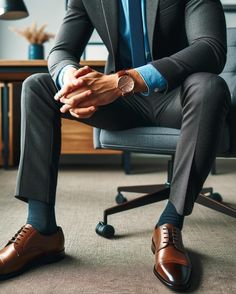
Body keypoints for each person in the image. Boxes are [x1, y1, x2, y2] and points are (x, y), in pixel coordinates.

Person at [0, 0, 231, 290]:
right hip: (118, 103)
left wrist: (126, 81)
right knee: (37, 86)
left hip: (176, 95)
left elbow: (210, 48)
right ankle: (41, 228)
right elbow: (61, 51)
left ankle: (170, 223)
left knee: (210, 86)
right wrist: (70, 78)